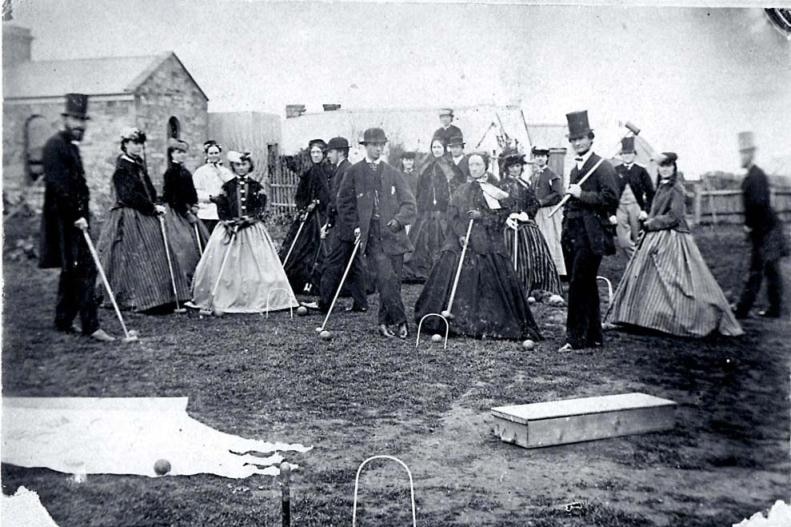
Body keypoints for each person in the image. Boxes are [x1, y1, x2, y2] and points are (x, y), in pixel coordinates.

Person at [604, 153, 743, 336]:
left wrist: (651, 224)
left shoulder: (676, 187)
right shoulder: (662, 186)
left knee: (674, 281)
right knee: (647, 279)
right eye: (662, 166)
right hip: (655, 235)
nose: (665, 169)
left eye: (668, 166)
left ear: (674, 167)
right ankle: (642, 317)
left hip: (673, 237)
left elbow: (675, 216)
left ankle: (675, 318)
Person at [415, 152, 542, 341]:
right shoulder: (461, 190)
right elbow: (453, 215)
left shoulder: (495, 190)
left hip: (487, 240)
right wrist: (460, 235)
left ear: (485, 167)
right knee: (450, 259)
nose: (474, 168)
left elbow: (502, 216)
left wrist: (482, 216)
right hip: (462, 239)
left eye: (478, 165)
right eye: (471, 165)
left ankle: (483, 322)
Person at [38, 93, 114, 342]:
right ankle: (91, 326)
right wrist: (76, 215)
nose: (79, 125)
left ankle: (63, 320)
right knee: (85, 270)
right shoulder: (54, 145)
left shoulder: (71, 146)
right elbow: (60, 187)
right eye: (75, 120)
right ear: (65, 119)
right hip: (65, 220)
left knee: (73, 270)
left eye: (82, 120)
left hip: (76, 218)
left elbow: (78, 185)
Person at [96, 127, 191, 312]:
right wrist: (151, 207)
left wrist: (155, 201)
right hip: (130, 215)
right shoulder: (123, 167)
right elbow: (129, 195)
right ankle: (140, 297)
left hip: (144, 213)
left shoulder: (137, 163)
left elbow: (147, 188)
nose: (138, 146)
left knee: (154, 251)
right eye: (133, 143)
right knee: (134, 254)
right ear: (124, 144)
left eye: (140, 143)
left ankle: (163, 295)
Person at [191, 151, 298, 314]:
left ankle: (258, 298)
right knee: (224, 267)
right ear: (233, 166)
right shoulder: (227, 186)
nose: (241, 168)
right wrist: (227, 221)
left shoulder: (257, 187)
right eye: (238, 165)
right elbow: (222, 205)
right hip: (229, 230)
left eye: (244, 164)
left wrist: (248, 219)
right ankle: (225, 297)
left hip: (251, 231)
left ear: (249, 166)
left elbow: (260, 208)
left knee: (256, 266)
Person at [336, 127, 416, 338]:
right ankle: (400, 321)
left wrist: (398, 221)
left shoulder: (392, 172)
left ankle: (383, 322)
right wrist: (356, 226)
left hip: (394, 236)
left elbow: (409, 204)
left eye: (381, 145)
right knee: (385, 276)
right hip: (371, 236)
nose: (378, 149)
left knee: (392, 281)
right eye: (373, 145)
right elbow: (343, 203)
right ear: (366, 147)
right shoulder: (353, 172)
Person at [559, 111, 619, 352]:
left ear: (591, 139)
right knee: (586, 284)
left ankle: (575, 338)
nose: (577, 143)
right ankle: (594, 335)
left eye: (581, 138)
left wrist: (581, 195)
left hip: (592, 235)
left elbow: (610, 198)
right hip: (572, 232)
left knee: (578, 284)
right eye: (573, 140)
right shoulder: (576, 170)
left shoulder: (602, 166)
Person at [734, 132, 788, 319]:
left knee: (761, 268)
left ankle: (744, 309)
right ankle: (770, 308)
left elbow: (758, 204)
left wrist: (749, 226)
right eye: (740, 153)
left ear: (751, 154)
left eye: (744, 153)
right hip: (764, 228)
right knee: (766, 269)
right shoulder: (752, 175)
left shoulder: (756, 176)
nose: (741, 157)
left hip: (767, 230)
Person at [313, 136, 369, 313]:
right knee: (353, 265)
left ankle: (324, 302)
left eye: (330, 152)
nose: (328, 155)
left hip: (346, 225)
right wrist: (328, 224)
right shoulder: (340, 169)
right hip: (343, 224)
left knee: (332, 262)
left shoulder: (347, 170)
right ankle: (361, 303)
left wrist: (351, 225)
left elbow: (345, 202)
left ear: (341, 152)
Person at [499, 154, 562, 297]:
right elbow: (497, 205)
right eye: (511, 167)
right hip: (509, 224)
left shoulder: (525, 184)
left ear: (521, 167)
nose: (515, 169)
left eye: (517, 166)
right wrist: (508, 215)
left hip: (525, 223)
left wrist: (527, 214)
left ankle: (535, 287)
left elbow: (533, 203)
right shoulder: (501, 185)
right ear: (507, 169)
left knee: (537, 252)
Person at [402, 138, 460, 283]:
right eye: (434, 147)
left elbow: (455, 188)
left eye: (439, 147)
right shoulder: (426, 165)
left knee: (440, 239)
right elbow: (420, 187)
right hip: (426, 210)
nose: (436, 150)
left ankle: (441, 271)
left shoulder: (450, 166)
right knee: (421, 240)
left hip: (443, 211)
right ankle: (421, 271)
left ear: (444, 148)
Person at [280, 139, 331, 295]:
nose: (315, 155)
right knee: (301, 246)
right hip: (308, 217)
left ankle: (318, 281)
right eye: (313, 152)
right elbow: (300, 194)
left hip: (322, 215)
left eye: (318, 152)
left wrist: (317, 202)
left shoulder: (328, 171)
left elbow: (329, 194)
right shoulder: (309, 172)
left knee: (322, 247)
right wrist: (303, 208)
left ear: (324, 154)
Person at [161, 138, 210, 281]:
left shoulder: (186, 172)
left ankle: (199, 279)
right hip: (176, 212)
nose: (181, 155)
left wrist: (194, 205)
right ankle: (185, 280)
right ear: (172, 154)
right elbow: (173, 197)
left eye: (183, 152)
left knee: (200, 242)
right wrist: (186, 213)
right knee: (184, 246)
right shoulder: (170, 173)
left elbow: (191, 192)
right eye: (177, 152)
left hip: (188, 209)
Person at [613, 136, 655, 259]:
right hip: (620, 207)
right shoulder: (616, 170)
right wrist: (611, 213)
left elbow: (650, 192)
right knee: (623, 241)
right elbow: (611, 192)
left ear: (634, 155)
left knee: (638, 237)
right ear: (621, 155)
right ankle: (634, 260)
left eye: (630, 153)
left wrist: (645, 210)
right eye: (624, 154)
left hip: (636, 206)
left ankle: (638, 266)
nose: (627, 156)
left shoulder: (641, 170)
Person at [530, 146, 566, 277]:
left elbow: (558, 194)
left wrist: (542, 201)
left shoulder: (552, 175)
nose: (539, 159)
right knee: (539, 239)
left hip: (549, 212)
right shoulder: (533, 175)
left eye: (542, 156)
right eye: (537, 156)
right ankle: (541, 270)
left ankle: (555, 271)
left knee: (551, 239)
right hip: (537, 213)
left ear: (547, 158)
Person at [192, 140, 234, 233]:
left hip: (223, 212)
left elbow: (232, 188)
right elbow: (196, 191)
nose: (214, 155)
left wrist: (221, 174)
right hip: (206, 212)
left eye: (216, 153)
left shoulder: (225, 172)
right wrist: (210, 198)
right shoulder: (200, 172)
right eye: (211, 153)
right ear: (206, 155)